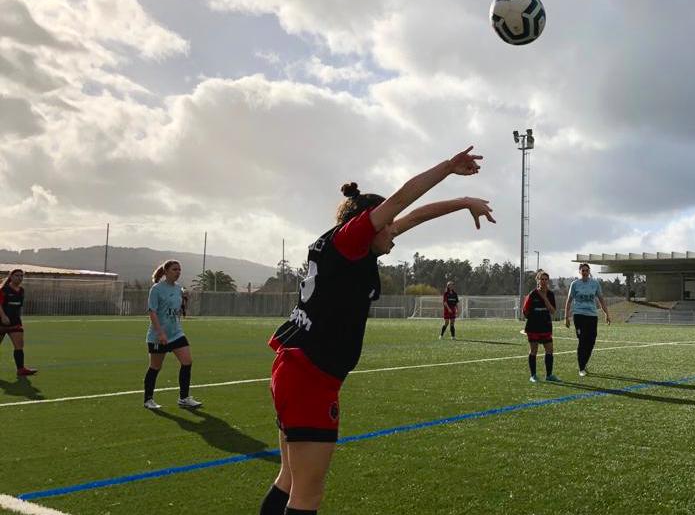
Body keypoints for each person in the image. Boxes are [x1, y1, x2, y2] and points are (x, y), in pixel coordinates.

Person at [260, 146, 495, 515]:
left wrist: (463, 201)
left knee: (288, 481)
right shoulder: (349, 241)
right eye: (387, 225)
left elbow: (413, 215)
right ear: (367, 222)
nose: (394, 232)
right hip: (310, 377)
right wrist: (448, 168)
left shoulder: (350, 247)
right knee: (306, 496)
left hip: (294, 366)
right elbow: (405, 197)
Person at [143, 260, 202, 410]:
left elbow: (178, 311)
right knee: (155, 367)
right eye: (175, 269)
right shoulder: (156, 289)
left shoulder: (178, 289)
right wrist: (160, 333)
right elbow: (152, 312)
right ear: (166, 271)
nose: (178, 272)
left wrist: (184, 301)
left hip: (176, 333)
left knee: (187, 362)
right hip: (158, 336)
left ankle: (184, 398)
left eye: (179, 270)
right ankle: (148, 399)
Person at [563, 263, 611, 377]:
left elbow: (601, 299)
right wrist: (566, 317)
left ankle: (584, 363)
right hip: (579, 315)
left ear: (589, 272)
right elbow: (569, 301)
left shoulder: (595, 284)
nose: (584, 272)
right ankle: (581, 368)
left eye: (586, 270)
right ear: (579, 272)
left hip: (592, 316)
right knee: (582, 340)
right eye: (582, 270)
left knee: (592, 341)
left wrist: (607, 314)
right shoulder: (575, 284)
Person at [522, 270, 559, 382]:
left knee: (549, 350)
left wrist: (544, 298)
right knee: (534, 350)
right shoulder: (532, 294)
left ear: (548, 281)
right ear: (537, 280)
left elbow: (552, 311)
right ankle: (533, 376)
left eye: (545, 279)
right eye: (541, 279)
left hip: (546, 326)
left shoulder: (551, 294)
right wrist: (534, 317)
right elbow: (525, 311)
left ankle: (549, 375)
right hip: (533, 326)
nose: (543, 281)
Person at [0, 268, 37, 376]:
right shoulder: (3, 289)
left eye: (21, 276)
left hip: (15, 322)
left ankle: (21, 369)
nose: (19, 278)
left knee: (19, 346)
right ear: (11, 277)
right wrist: (3, 316)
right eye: (17, 275)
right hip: (1, 322)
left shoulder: (21, 290)